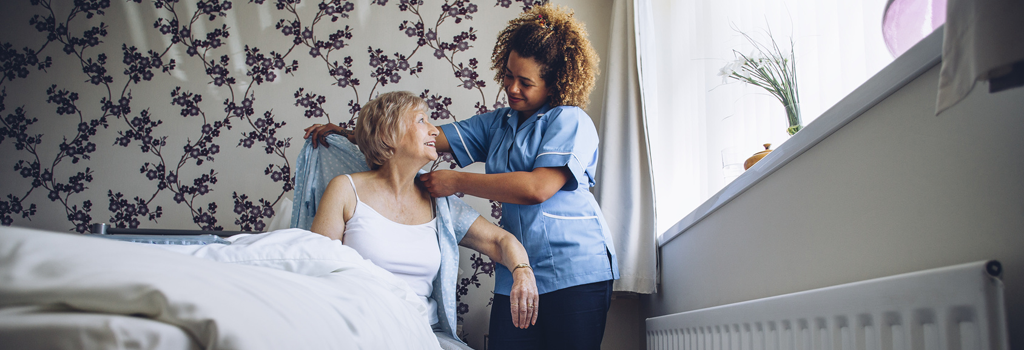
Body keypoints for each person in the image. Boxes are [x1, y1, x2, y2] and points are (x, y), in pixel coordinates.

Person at [306, 91, 540, 350]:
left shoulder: (438, 202)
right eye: (421, 121)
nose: (434, 131)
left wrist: (522, 272)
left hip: (423, 333)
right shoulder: (345, 190)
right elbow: (316, 270)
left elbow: (500, 240)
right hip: (360, 329)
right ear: (387, 135)